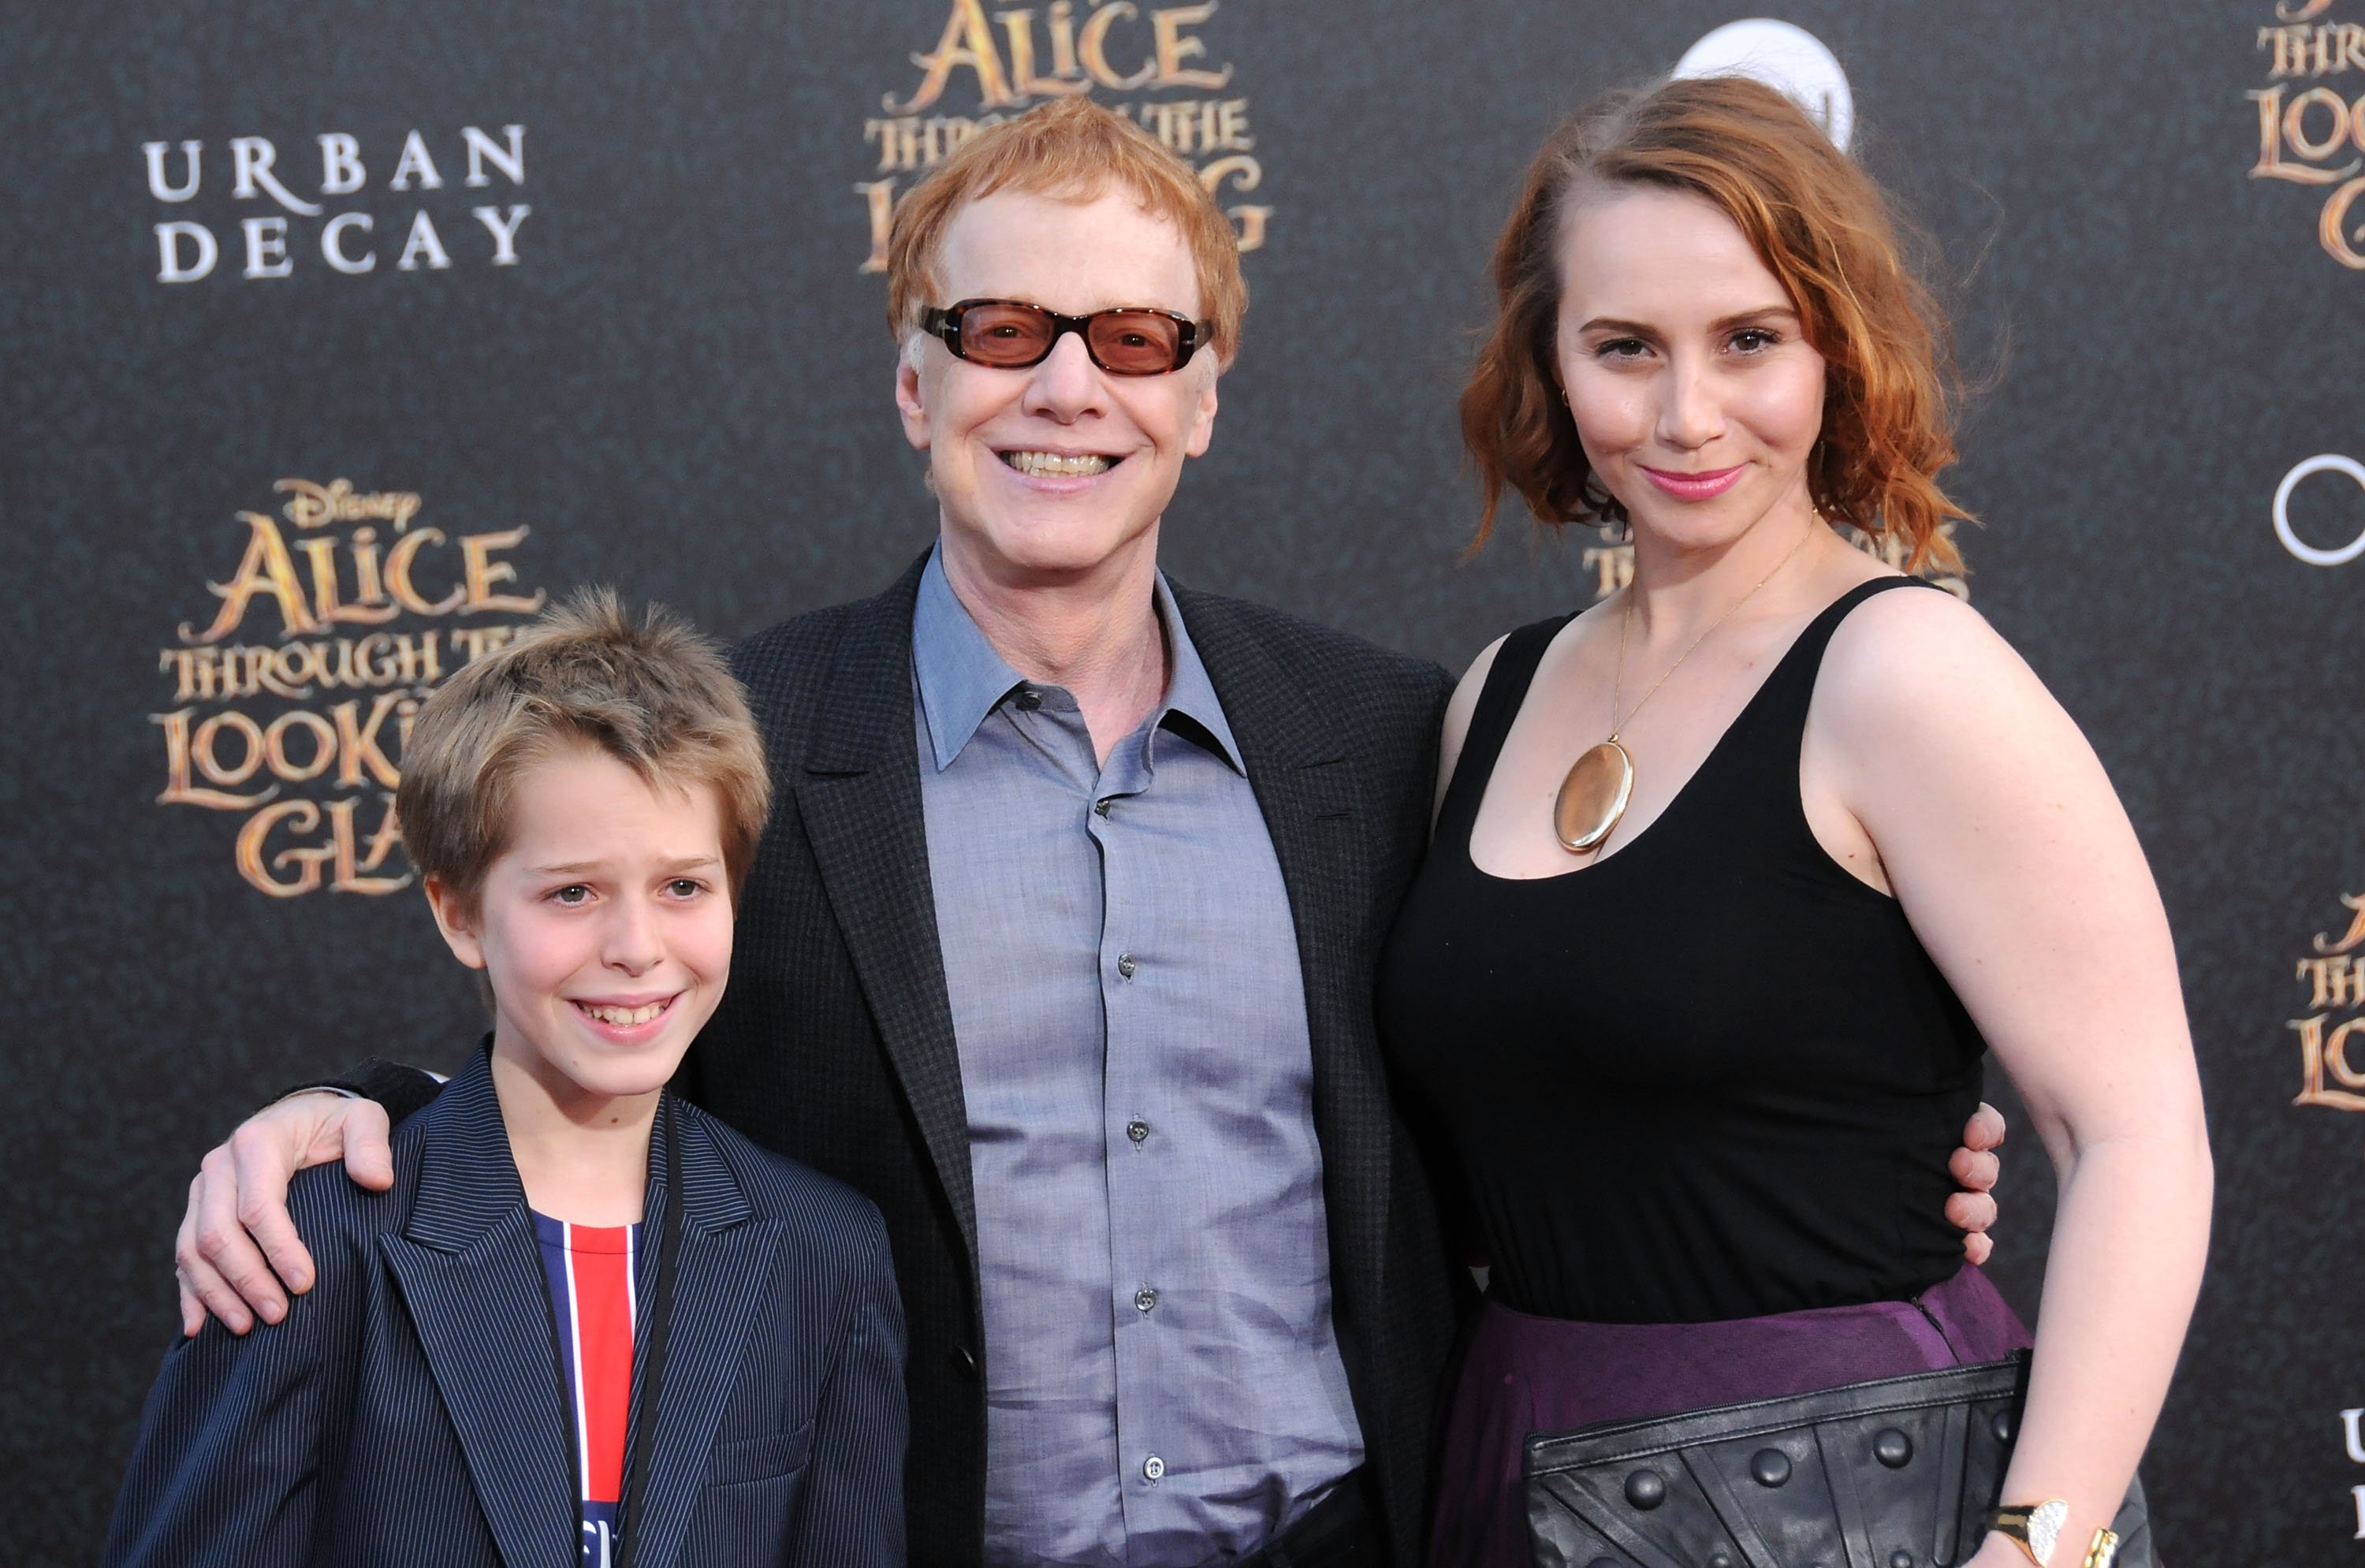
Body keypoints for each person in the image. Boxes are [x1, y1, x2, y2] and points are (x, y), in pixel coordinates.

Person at [160, 99, 2004, 1567]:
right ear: (914, 384)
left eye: (1131, 335)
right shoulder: (750, 747)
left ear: (1202, 395)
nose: (1066, 386)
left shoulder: (1390, 738)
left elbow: (1565, 1033)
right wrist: (366, 1122)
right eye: (1000, 330)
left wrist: (1834, 1144)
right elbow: (596, 1002)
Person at [1377, 75, 2211, 1568]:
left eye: (1749, 340)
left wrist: (2042, 1545)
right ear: (1551, 364)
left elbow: (2139, 1134)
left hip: (1844, 1494)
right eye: (1625, 347)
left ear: (1836, 348)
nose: (1688, 412)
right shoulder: (1496, 694)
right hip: (1512, 1456)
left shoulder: (1905, 673)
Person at [103, 593, 906, 1567]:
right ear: (459, 914)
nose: (636, 948)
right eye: (573, 892)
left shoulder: (825, 1253)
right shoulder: (312, 1246)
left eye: (683, 887)